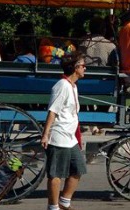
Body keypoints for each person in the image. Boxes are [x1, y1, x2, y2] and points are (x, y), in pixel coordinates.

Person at [41, 53, 87, 210]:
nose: (85, 68)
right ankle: (53, 207)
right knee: (55, 174)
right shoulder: (62, 85)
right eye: (82, 65)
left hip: (70, 137)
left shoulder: (73, 85)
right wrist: (46, 134)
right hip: (59, 136)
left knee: (78, 168)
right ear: (75, 68)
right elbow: (52, 111)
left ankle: (65, 201)